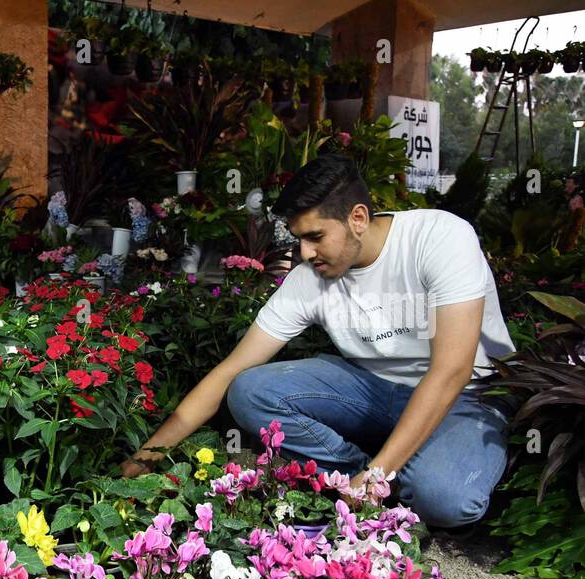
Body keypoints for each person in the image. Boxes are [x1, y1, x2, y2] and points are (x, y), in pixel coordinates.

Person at [120, 154, 515, 528]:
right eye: (298, 239)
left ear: (358, 217)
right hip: (373, 391)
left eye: (315, 236)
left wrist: (379, 474)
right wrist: (146, 457)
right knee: (248, 390)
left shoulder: (439, 238)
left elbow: (453, 370)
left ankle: (397, 472)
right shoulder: (309, 277)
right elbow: (230, 371)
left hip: (465, 395)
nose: (304, 254)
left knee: (443, 499)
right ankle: (363, 475)